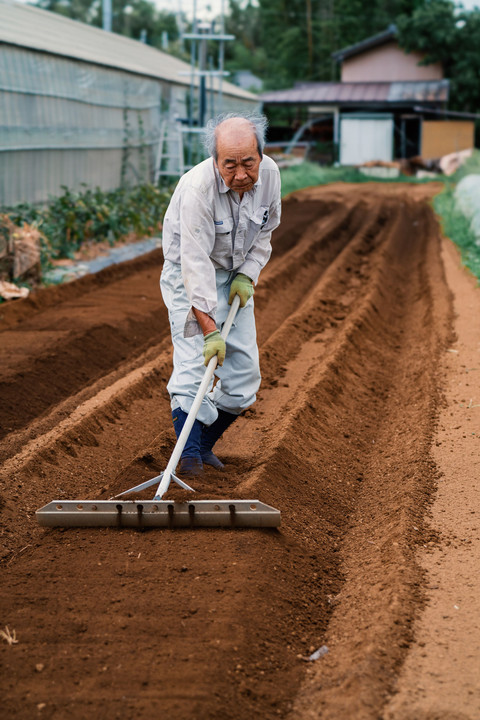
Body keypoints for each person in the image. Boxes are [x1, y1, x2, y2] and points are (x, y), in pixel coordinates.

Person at [160, 112, 281, 476]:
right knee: (194, 367)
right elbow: (194, 264)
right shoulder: (198, 189)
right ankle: (190, 462)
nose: (241, 174)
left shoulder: (271, 176)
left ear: (261, 155)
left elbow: (266, 230)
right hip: (189, 276)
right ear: (216, 161)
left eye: (249, 162)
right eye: (230, 165)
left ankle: (203, 446)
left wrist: (248, 274)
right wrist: (210, 330)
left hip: (235, 275)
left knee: (244, 379)